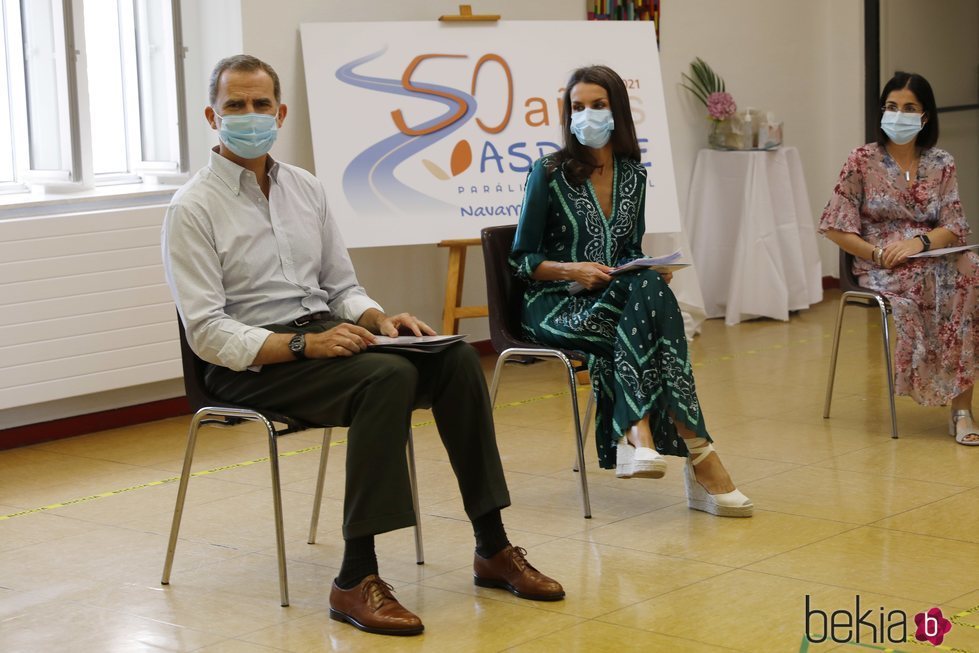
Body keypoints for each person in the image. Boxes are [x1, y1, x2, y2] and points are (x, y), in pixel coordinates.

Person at [162, 55, 565, 638]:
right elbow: (207, 332)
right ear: (211, 115)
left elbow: (341, 288)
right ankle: (355, 576)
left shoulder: (305, 188)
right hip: (249, 362)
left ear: (279, 112)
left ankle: (492, 546)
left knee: (452, 357)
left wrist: (379, 318)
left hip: (323, 334)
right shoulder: (192, 208)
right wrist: (304, 345)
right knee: (387, 378)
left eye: (259, 105)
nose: (249, 116)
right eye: (234, 105)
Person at [509, 65, 753, 517]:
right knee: (652, 329)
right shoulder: (547, 172)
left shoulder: (633, 175)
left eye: (598, 106)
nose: (587, 115)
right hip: (551, 303)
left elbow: (629, 250)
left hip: (613, 300)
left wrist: (649, 271)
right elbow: (521, 259)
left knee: (645, 287)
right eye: (578, 107)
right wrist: (573, 270)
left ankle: (639, 436)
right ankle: (697, 455)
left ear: (617, 110)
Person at [819, 71, 978, 446]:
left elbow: (954, 225)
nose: (899, 114)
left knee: (972, 272)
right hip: (879, 264)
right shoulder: (862, 160)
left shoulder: (941, 161)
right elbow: (834, 226)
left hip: (929, 254)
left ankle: (961, 408)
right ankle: (950, 397)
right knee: (944, 282)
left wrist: (919, 243)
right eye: (892, 106)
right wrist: (878, 252)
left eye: (909, 108)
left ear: (924, 117)